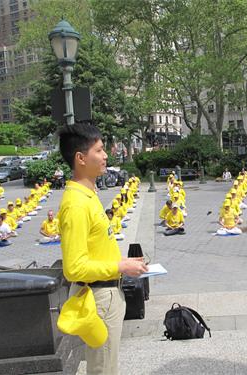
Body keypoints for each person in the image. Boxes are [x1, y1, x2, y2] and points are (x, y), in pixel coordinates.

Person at [57, 123, 147, 375]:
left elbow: (95, 247)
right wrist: (120, 265)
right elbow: (74, 268)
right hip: (99, 298)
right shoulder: (76, 204)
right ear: (81, 158)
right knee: (103, 369)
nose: (106, 155)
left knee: (106, 365)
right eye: (99, 150)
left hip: (106, 292)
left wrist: (124, 262)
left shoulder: (88, 195)